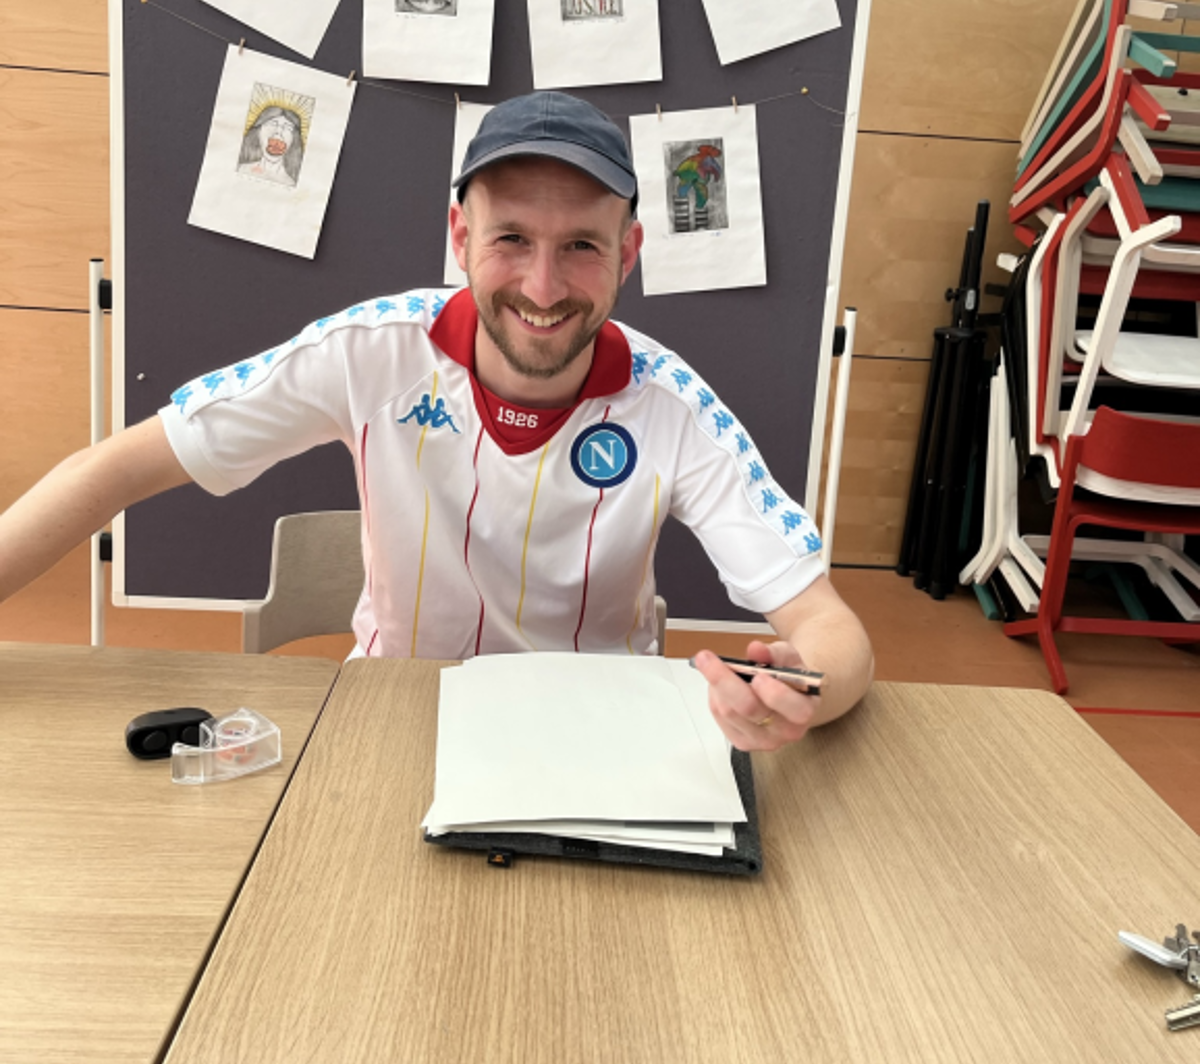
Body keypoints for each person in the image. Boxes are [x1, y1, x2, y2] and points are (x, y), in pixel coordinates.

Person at [0, 93, 872, 751]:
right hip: (396, 714)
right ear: (460, 236)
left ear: (628, 254)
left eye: (580, 245)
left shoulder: (675, 404)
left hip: (602, 733)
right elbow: (109, 470)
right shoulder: (367, 349)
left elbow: (834, 635)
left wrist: (800, 691)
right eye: (510, 239)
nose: (542, 286)